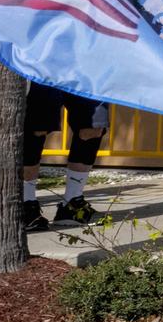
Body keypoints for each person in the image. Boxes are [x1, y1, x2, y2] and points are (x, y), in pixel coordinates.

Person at [17, 83, 106, 232]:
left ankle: (72, 205)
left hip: (88, 67)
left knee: (94, 127)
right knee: (38, 127)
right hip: (46, 65)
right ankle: (27, 205)